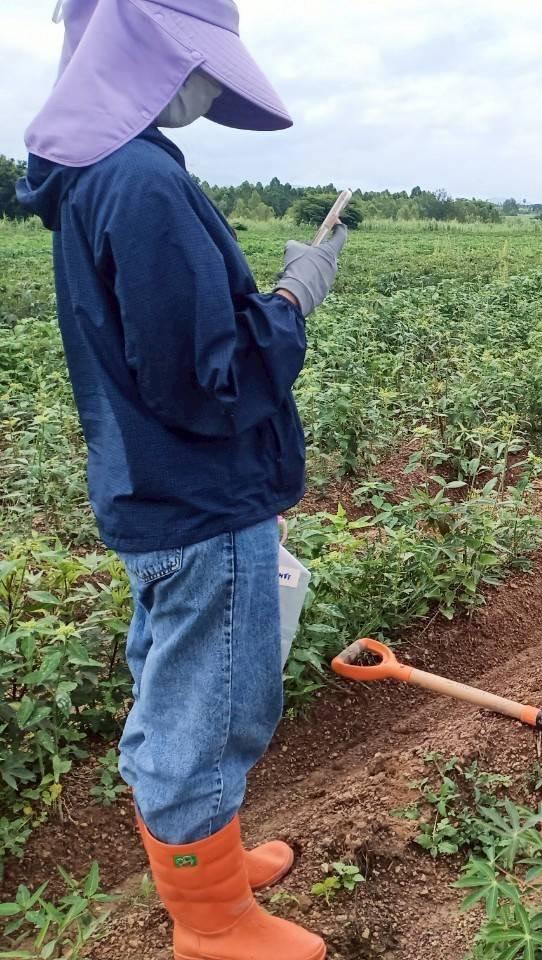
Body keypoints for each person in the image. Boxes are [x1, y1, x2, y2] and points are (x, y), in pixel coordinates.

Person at [18, 2, 346, 958]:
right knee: (213, 703)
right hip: (202, 498)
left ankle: (208, 862)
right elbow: (213, 378)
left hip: (154, 487)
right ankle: (211, 923)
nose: (208, 85)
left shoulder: (97, 179)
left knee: (177, 686)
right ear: (151, 58)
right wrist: (291, 301)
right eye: (199, 63)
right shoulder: (143, 185)